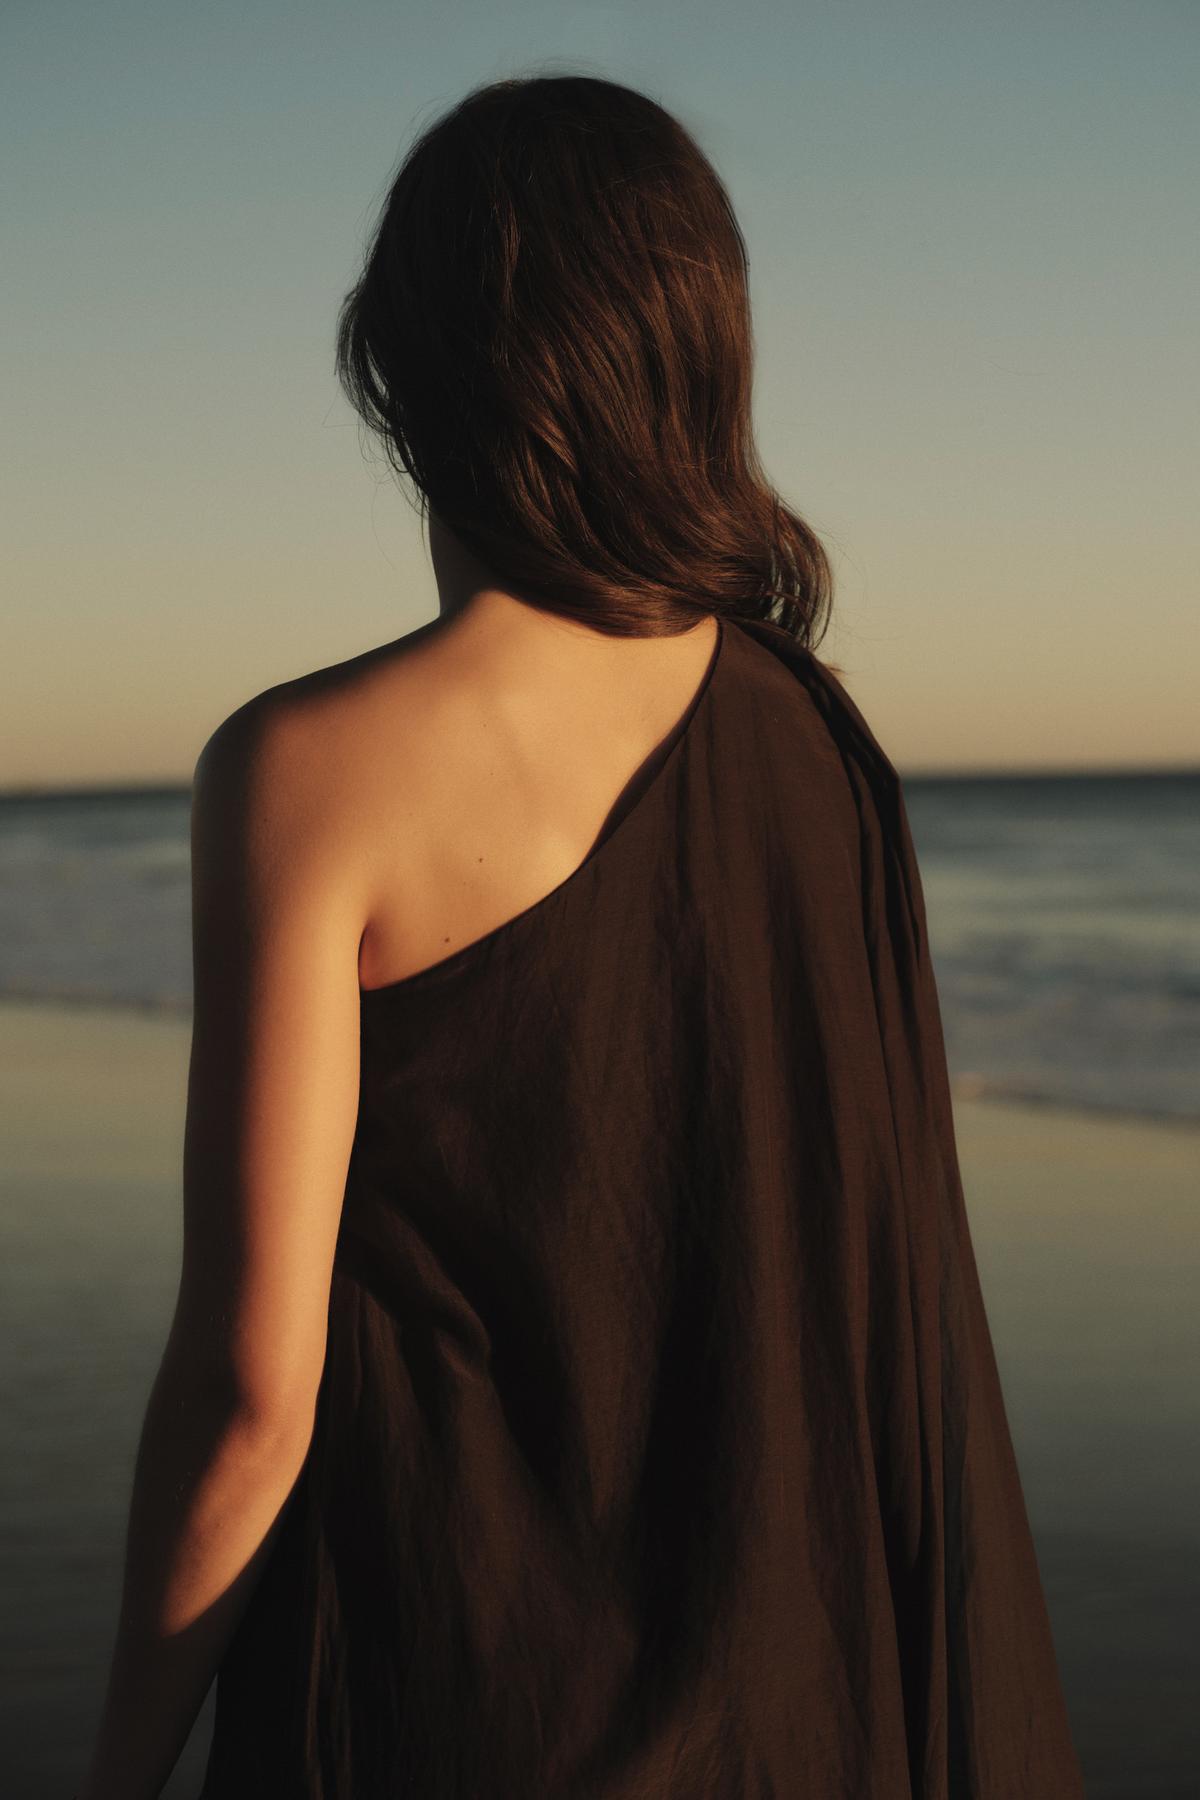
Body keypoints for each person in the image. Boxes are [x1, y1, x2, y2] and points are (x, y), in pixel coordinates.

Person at [77, 72, 1085, 1799]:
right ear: (698, 362)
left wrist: (117, 1766)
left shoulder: (304, 772)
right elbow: (876, 1325)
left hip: (436, 1709)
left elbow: (255, 1394)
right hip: (806, 1733)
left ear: (411, 374)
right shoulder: (823, 751)